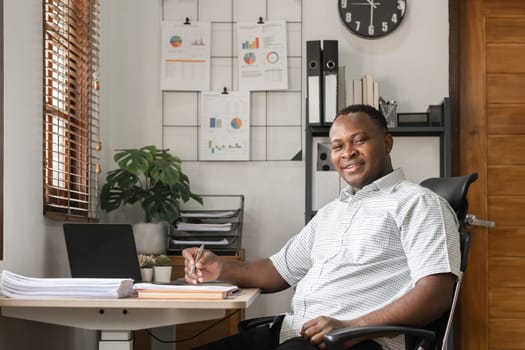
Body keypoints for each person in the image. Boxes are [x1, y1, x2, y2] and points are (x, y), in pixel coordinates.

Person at [182, 104, 460, 350]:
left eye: (359, 140)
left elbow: (436, 293)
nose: (348, 153)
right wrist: (220, 268)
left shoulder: (419, 204)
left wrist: (352, 326)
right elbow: (277, 270)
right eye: (338, 147)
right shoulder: (331, 212)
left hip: (360, 341)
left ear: (387, 142)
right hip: (293, 333)